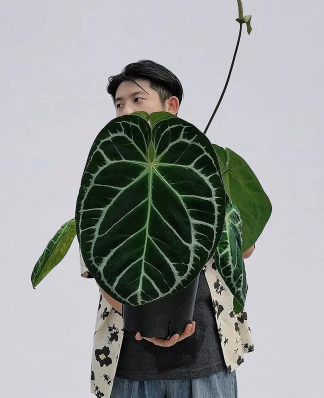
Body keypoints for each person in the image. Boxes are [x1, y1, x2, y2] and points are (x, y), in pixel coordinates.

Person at [80, 59, 255, 398]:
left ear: (171, 106)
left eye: (137, 99)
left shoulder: (202, 170)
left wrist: (212, 194)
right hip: (130, 361)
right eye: (119, 104)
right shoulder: (112, 172)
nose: (126, 110)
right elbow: (99, 267)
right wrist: (143, 320)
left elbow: (244, 249)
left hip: (207, 357)